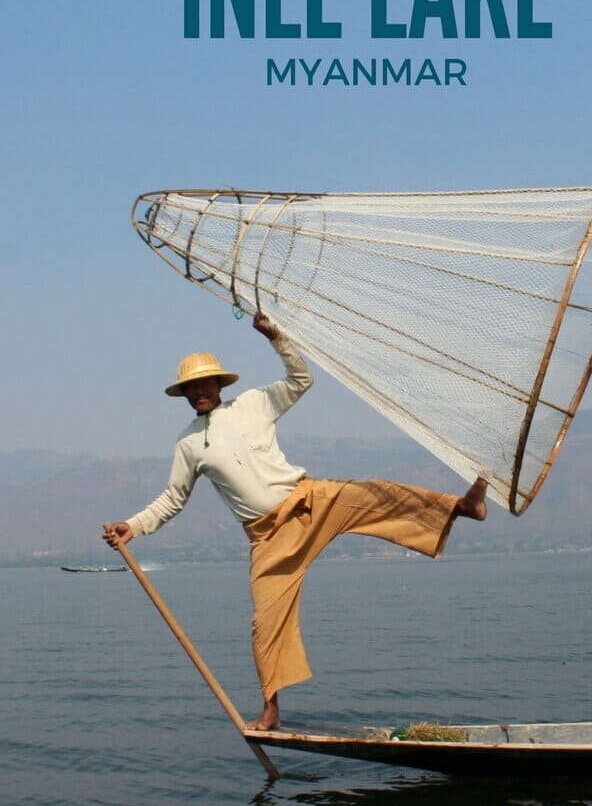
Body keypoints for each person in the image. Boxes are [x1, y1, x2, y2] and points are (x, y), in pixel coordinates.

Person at [104, 312, 488, 730]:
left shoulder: (253, 403)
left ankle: (462, 507)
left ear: (218, 384)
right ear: (184, 394)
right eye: (191, 388)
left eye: (205, 384)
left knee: (376, 496)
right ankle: (271, 709)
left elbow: (301, 379)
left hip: (308, 501)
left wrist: (276, 337)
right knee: (265, 621)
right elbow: (172, 499)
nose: (199, 391)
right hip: (268, 538)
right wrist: (133, 525)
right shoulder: (189, 443)